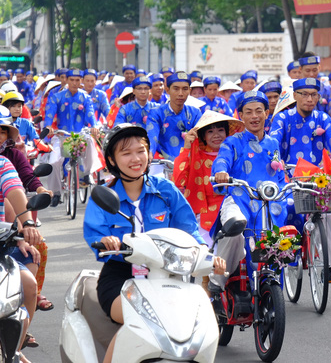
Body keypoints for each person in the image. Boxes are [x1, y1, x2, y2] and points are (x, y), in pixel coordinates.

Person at [83, 124, 225, 363]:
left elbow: (189, 229)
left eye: (141, 151)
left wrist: (207, 255)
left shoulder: (166, 190)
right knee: (135, 318)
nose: (136, 158)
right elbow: (95, 233)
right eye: (126, 153)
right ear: (112, 160)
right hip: (121, 277)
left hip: (170, 277)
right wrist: (105, 241)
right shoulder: (105, 195)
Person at [0, 104, 42, 363]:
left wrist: (27, 226)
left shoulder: (2, 164)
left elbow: (15, 191)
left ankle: (15, 345)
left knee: (29, 285)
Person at [270, 78, 331, 275]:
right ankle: (287, 251)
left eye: (314, 95)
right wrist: (276, 160)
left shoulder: (323, 119)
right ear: (295, 96)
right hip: (289, 178)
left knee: (328, 213)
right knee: (288, 208)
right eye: (304, 94)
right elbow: (272, 142)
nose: (309, 99)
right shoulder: (283, 118)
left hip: (316, 179)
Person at [211, 91, 287, 291]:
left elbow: (279, 175)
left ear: (267, 113)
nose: (254, 116)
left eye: (259, 111)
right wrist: (220, 172)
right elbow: (222, 159)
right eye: (249, 112)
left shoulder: (272, 143)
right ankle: (216, 282)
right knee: (235, 230)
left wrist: (284, 189)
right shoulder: (232, 142)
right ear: (241, 116)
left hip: (269, 202)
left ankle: (269, 280)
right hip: (239, 199)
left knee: (278, 234)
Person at [173, 111, 244, 244]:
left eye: (221, 130)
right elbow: (178, 181)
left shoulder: (238, 154)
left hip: (240, 211)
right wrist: (187, 147)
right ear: (203, 136)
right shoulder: (196, 157)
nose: (216, 135)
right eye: (210, 131)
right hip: (205, 218)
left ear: (227, 133)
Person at [43, 69, 99, 206]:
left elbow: (90, 113)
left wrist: (94, 125)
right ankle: (56, 192)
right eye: (72, 80)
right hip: (62, 135)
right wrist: (49, 127)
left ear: (81, 81)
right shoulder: (57, 97)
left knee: (91, 141)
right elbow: (49, 113)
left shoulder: (85, 97)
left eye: (77, 80)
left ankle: (87, 173)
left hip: (80, 135)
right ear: (66, 81)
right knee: (53, 163)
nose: (75, 83)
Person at [146, 71, 203, 160]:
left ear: (189, 91)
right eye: (176, 89)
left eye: (185, 89)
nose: (180, 93)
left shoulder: (195, 113)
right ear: (167, 90)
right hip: (164, 163)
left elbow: (202, 141)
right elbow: (152, 137)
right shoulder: (156, 113)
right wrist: (149, 154)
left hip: (189, 161)